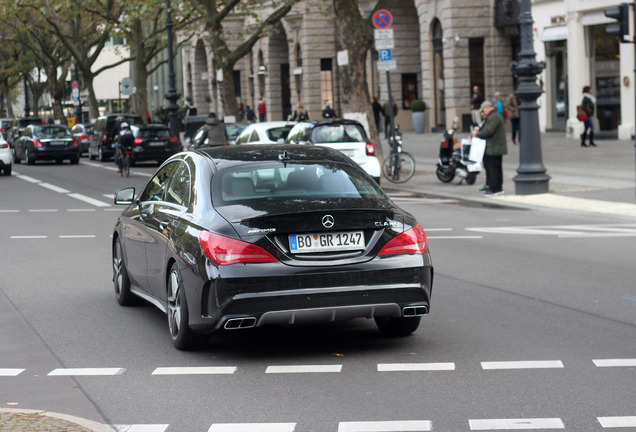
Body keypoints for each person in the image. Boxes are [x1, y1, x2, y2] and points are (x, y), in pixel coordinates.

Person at [473, 101, 507, 196]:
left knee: (494, 168)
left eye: (483, 110)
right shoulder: (492, 117)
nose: (483, 112)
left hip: (495, 147)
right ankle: (493, 186)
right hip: (492, 147)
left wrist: (477, 134)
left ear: (488, 108)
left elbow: (488, 131)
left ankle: (495, 188)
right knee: (491, 167)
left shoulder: (494, 117)